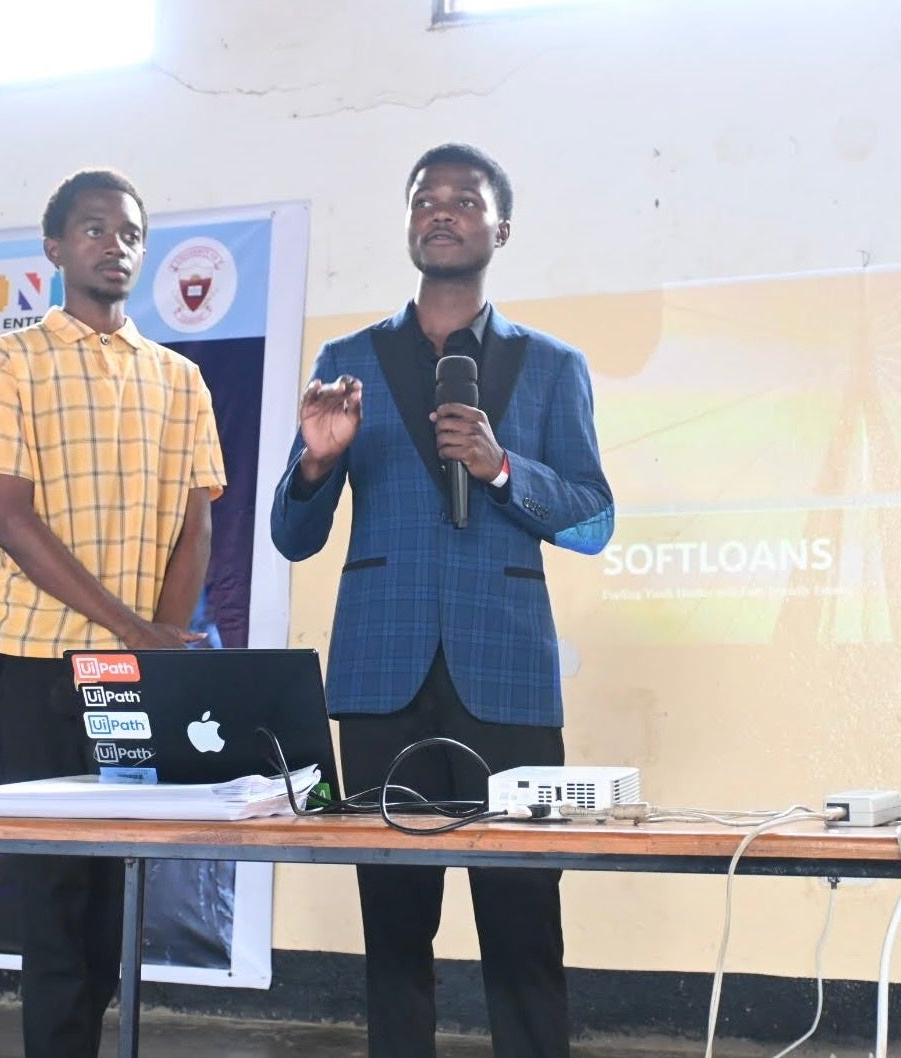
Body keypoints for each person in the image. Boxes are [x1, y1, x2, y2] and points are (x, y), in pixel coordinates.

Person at [271, 143, 614, 1058]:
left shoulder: (552, 365)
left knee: (522, 922)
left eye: (465, 200)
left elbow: (592, 521)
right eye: (426, 198)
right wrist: (318, 463)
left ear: (501, 229)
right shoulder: (348, 361)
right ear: (409, 223)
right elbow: (292, 537)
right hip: (380, 676)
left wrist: (502, 469)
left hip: (507, 675)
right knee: (393, 925)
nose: (442, 211)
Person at [0, 169, 227, 1058]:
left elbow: (195, 525)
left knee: (112, 886)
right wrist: (134, 628)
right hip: (39, 663)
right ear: (56, 248)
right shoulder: (13, 361)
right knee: (55, 885)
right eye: (95, 229)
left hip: (133, 674)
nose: (116, 245)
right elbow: (12, 520)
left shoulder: (180, 380)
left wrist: (157, 647)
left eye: (131, 233)